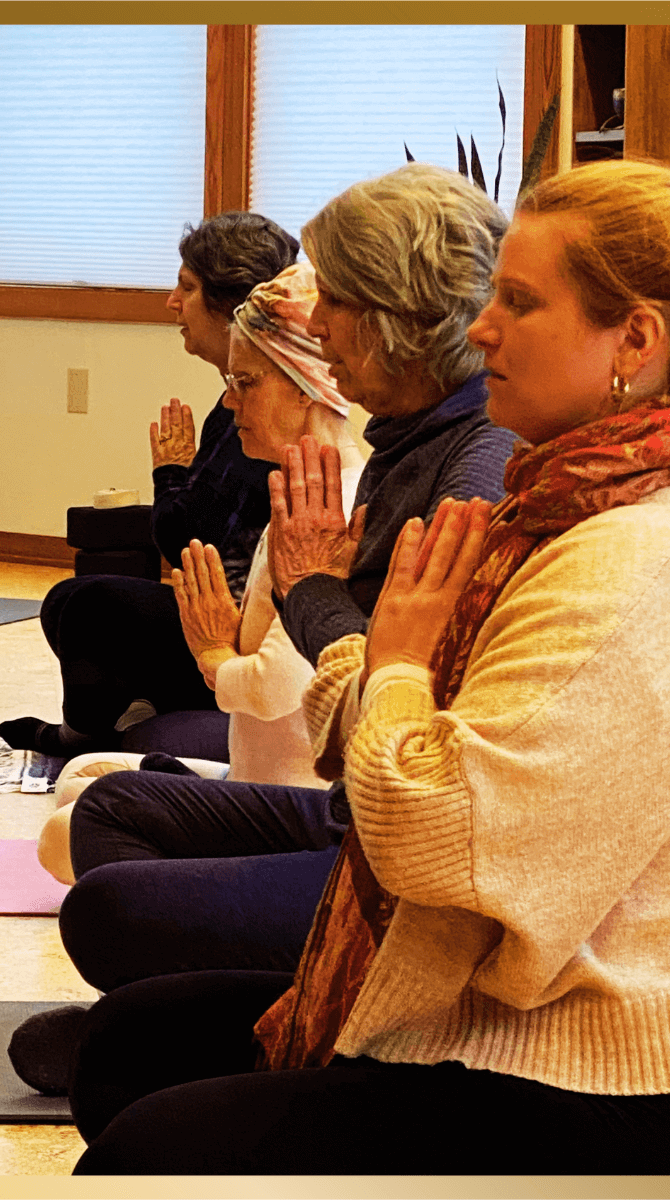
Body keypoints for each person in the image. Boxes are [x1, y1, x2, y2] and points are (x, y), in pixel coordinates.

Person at [69, 157, 670, 1175]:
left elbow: (424, 829)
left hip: (576, 1046)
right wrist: (360, 647)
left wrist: (339, 627)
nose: (485, 328)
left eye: (520, 303)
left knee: (145, 1143)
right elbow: (397, 744)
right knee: (127, 1049)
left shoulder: (616, 550)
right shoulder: (547, 494)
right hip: (433, 911)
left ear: (636, 341)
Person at [57, 165, 518, 994]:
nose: (321, 324)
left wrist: (292, 605)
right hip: (351, 804)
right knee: (107, 812)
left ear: (395, 317)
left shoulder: (472, 471)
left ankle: (260, 1012)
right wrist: (293, 603)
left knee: (109, 917)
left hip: (401, 853)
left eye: (333, 301)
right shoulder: (405, 442)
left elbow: (401, 726)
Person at [36, 263, 365, 886]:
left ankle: (233, 873)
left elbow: (276, 689)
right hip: (252, 778)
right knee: (79, 779)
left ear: (306, 387)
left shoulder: (335, 506)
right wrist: (230, 631)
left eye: (246, 382)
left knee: (64, 834)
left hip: (294, 808)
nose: (229, 400)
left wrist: (214, 655)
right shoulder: (300, 491)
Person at [0, 212, 299, 761]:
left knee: (91, 607)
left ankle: (84, 735)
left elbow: (188, 541)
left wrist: (170, 473)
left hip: (241, 637)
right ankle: (127, 713)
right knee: (66, 601)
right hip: (217, 617)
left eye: (187, 287)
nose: (171, 302)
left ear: (231, 306)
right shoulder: (233, 403)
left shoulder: (268, 414)